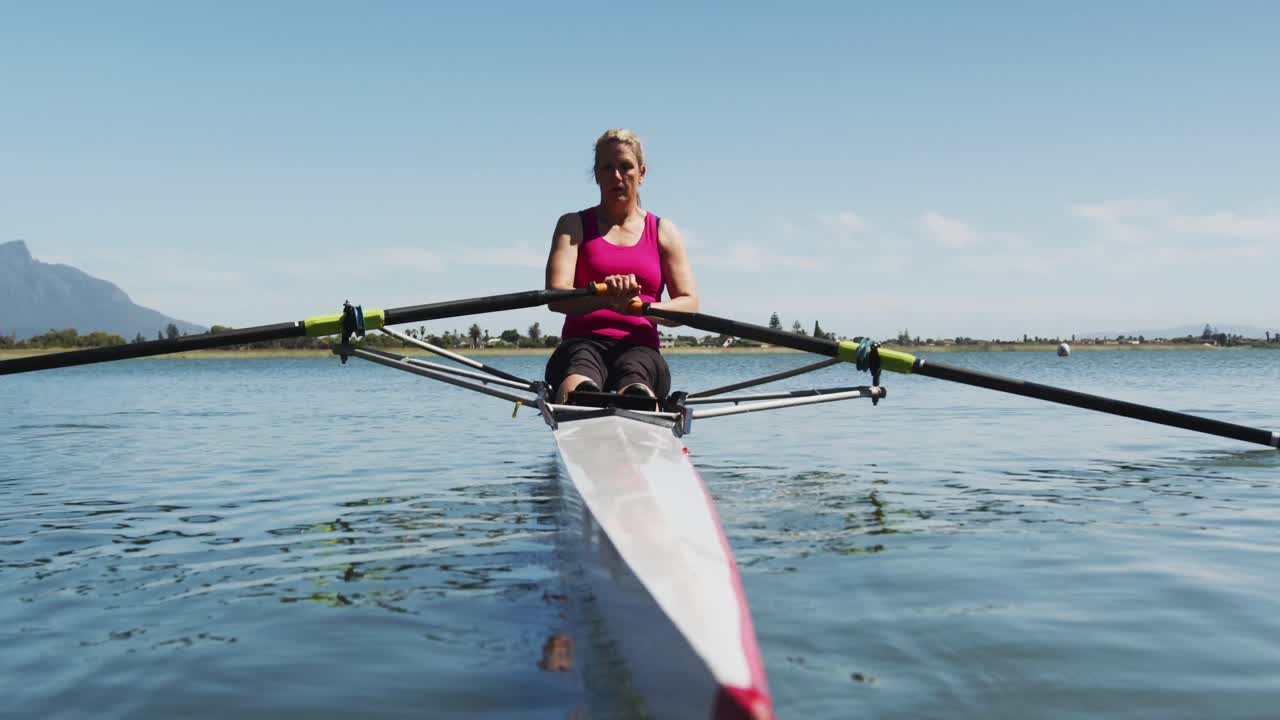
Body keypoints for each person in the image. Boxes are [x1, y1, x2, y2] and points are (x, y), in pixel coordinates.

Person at [544, 128, 698, 406]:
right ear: (596, 174)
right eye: (607, 168)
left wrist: (638, 308)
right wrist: (603, 298)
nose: (617, 176)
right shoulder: (572, 225)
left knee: (635, 374)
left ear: (642, 173)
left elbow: (689, 305)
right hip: (582, 343)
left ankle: (637, 399)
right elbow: (556, 297)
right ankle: (583, 397)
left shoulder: (664, 231)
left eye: (626, 167)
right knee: (581, 366)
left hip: (641, 347)